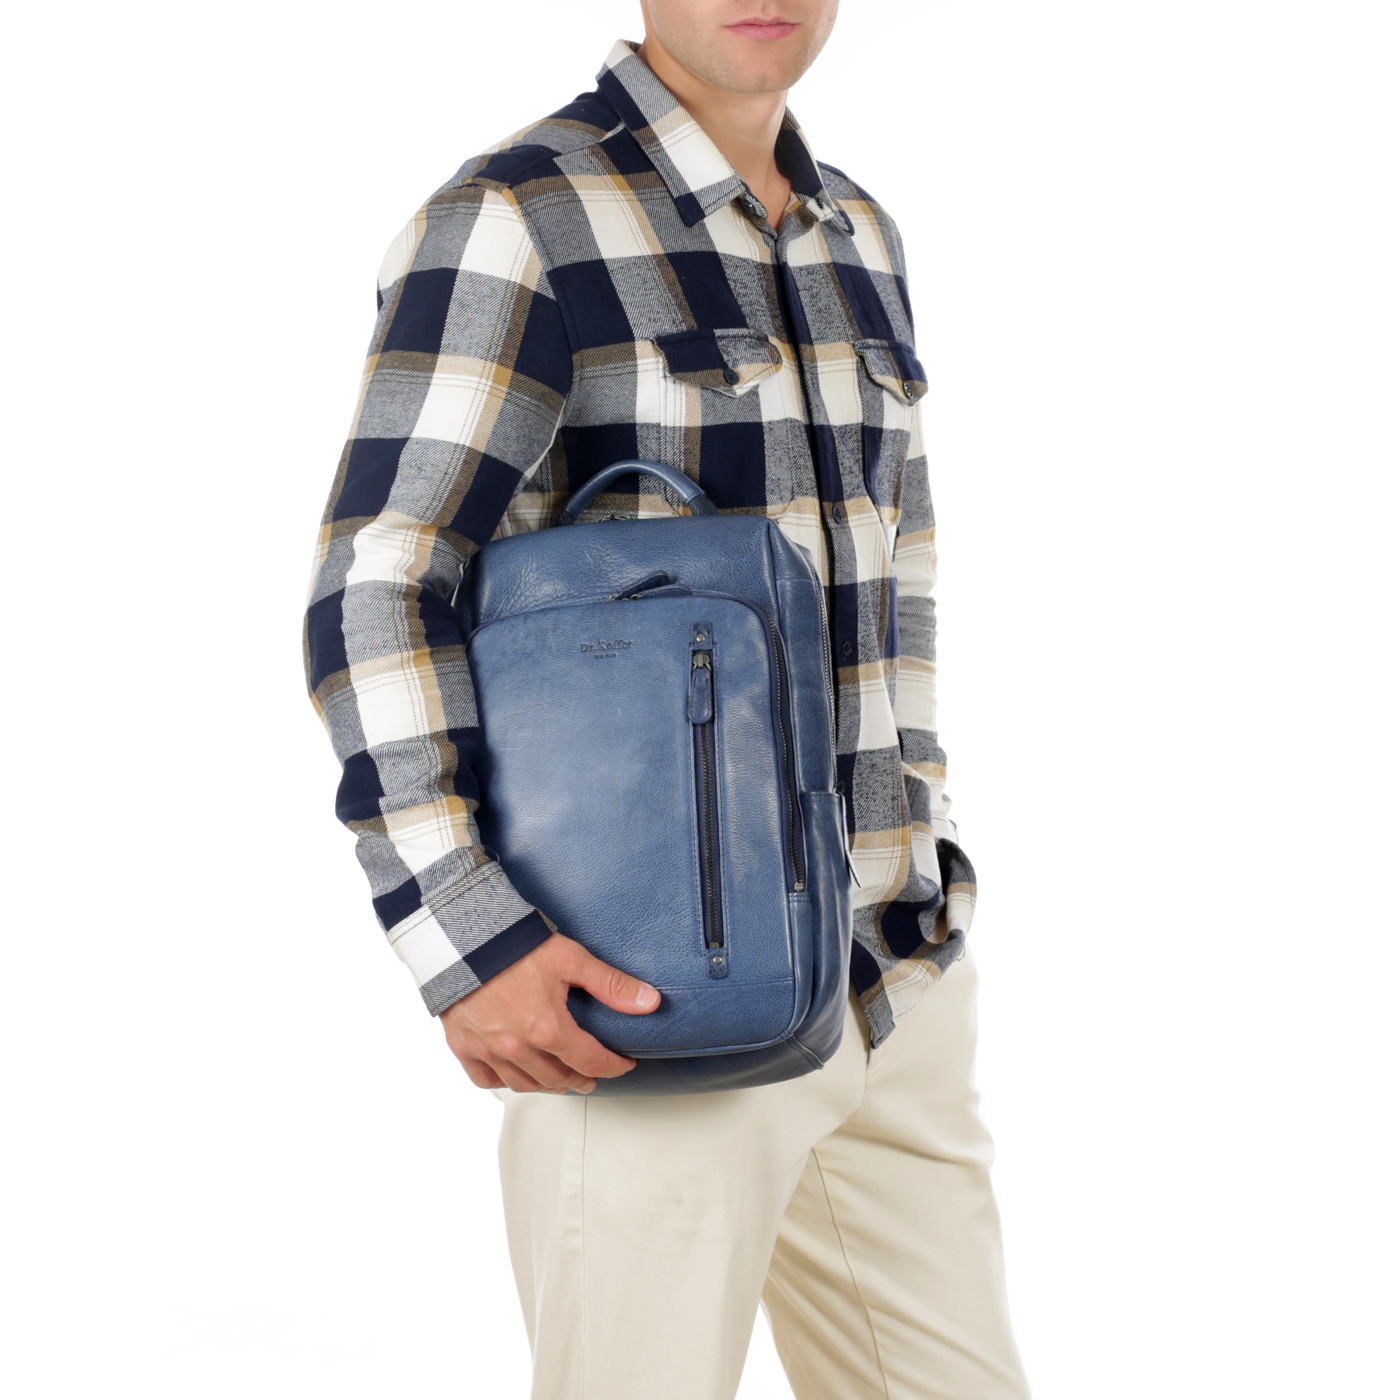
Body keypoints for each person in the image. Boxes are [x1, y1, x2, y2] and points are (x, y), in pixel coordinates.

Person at [303, 3, 1030, 1396]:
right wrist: (469, 935)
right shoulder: (519, 219)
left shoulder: (858, 233)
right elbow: (380, 584)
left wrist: (924, 839)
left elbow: (903, 571)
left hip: (891, 974)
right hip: (646, 995)